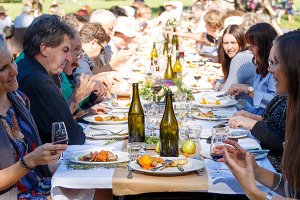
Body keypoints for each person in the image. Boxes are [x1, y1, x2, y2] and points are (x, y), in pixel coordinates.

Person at [217, 30, 300, 199]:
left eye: (276, 63)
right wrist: (255, 170)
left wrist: (253, 192)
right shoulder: (292, 106)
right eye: (270, 62)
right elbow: (293, 190)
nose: (270, 70)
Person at [0, 39, 67, 199]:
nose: (14, 71)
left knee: (99, 185)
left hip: (39, 185)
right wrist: (29, 161)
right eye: (3, 68)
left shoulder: (19, 99)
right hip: (16, 195)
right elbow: (30, 160)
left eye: (12, 61)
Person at [17, 14, 85, 145]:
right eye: (65, 50)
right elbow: (72, 137)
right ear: (44, 49)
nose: (69, 58)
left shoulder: (28, 68)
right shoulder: (39, 80)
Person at [227, 23, 277, 115]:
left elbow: (275, 101)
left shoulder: (275, 69)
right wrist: (243, 91)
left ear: (264, 46)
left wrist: (247, 90)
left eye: (252, 46)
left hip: (267, 119)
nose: (249, 49)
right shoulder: (261, 65)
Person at [216, 25, 256, 91]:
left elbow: (227, 90)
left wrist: (216, 85)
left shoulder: (240, 57)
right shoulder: (243, 54)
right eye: (226, 43)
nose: (229, 47)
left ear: (242, 42)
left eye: (233, 43)